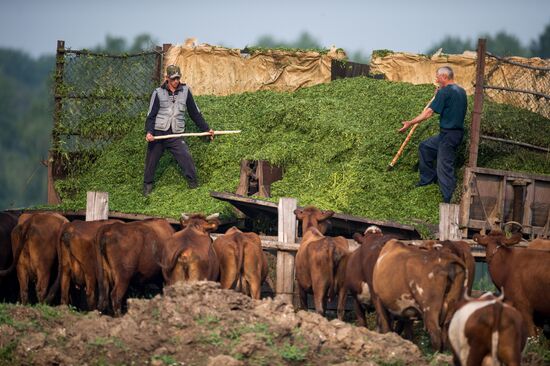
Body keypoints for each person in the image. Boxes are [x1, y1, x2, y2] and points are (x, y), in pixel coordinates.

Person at [143, 65, 214, 196]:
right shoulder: (158, 92)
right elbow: (151, 116)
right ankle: (147, 185)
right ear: (167, 78)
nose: (176, 81)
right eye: (173, 79)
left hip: (176, 133)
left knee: (185, 156)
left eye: (178, 78)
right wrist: (149, 132)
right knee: (151, 159)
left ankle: (193, 184)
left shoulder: (186, 91)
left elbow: (195, 113)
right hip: (159, 132)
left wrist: (206, 128)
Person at [399, 66, 467, 203]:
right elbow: (450, 103)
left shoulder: (445, 92)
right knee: (425, 147)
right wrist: (439, 94)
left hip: (449, 135)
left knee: (443, 167)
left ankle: (449, 200)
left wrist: (410, 123)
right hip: (453, 134)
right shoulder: (461, 91)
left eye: (437, 77)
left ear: (444, 77)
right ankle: (427, 180)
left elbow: (429, 113)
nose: (436, 79)